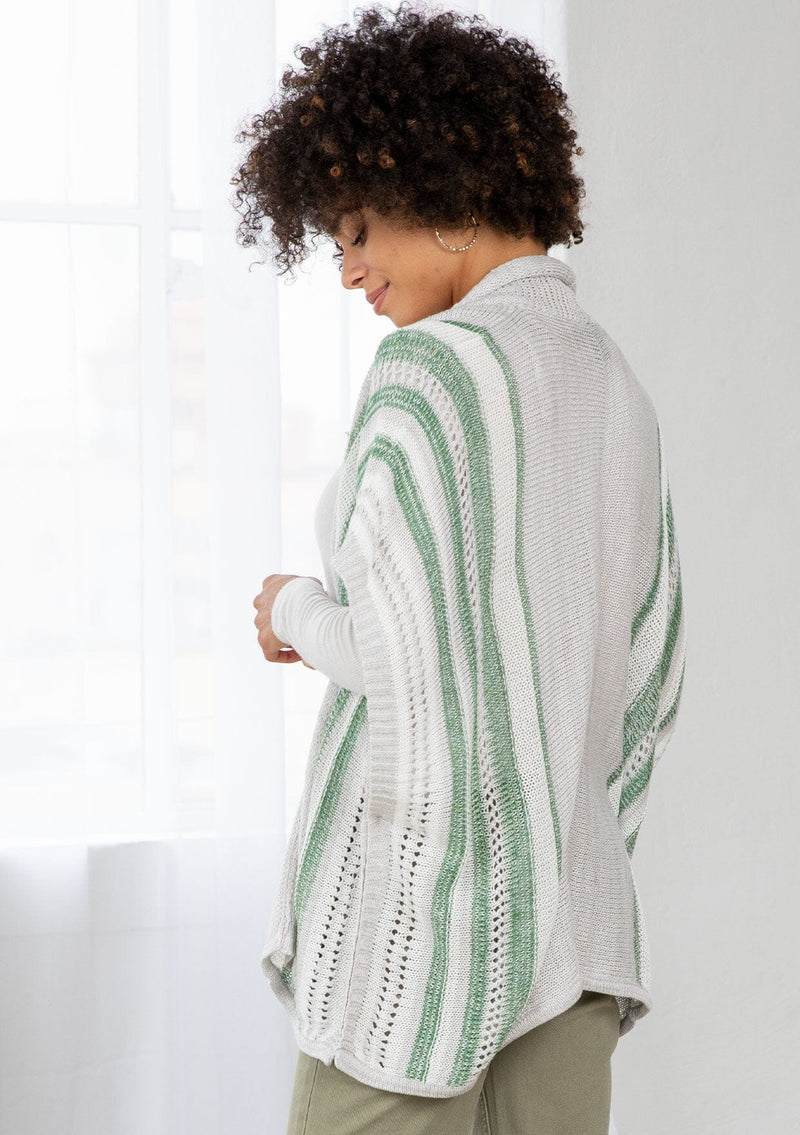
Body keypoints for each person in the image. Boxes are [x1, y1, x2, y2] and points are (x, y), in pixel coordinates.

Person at [238, 5, 687, 1134]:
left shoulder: (432, 372)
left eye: (357, 230)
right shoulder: (615, 386)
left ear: (440, 190)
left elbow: (397, 656)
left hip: (425, 931)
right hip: (575, 924)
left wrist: (293, 608)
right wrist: (560, 821)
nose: (349, 271)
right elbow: (653, 667)